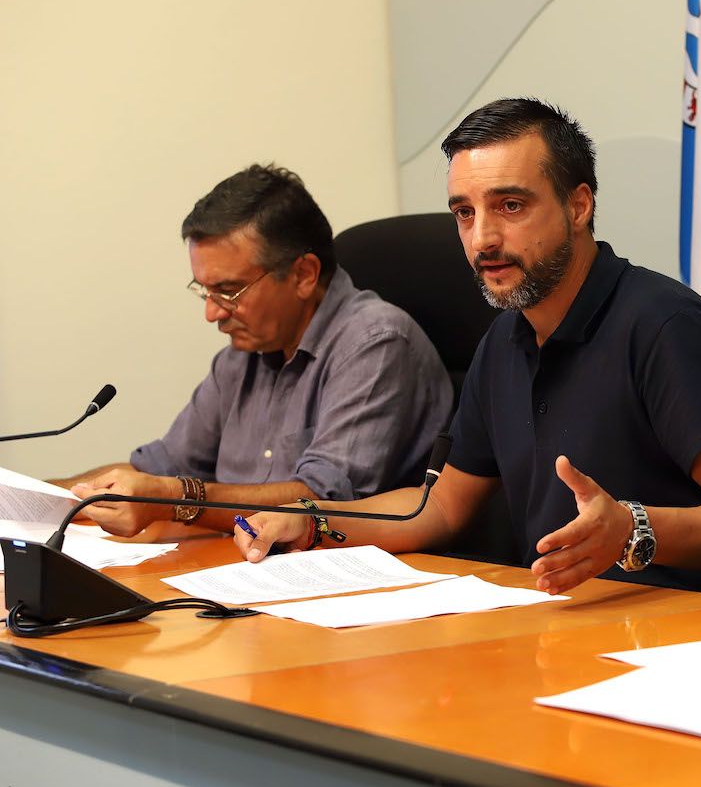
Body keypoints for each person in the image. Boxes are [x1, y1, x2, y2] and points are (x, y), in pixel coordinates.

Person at [236, 99, 701, 596]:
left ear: (578, 206)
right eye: (464, 212)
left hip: (684, 637)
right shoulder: (504, 339)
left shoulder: (665, 326)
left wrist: (633, 528)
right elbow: (438, 508)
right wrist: (310, 521)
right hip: (556, 625)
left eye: (510, 206)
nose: (481, 238)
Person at [60, 164, 453, 536]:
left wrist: (175, 499)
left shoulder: (375, 342)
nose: (212, 313)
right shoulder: (241, 355)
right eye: (205, 291)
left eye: (229, 291)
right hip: (240, 569)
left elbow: (321, 502)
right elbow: (157, 469)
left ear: (303, 275)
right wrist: (41, 496)